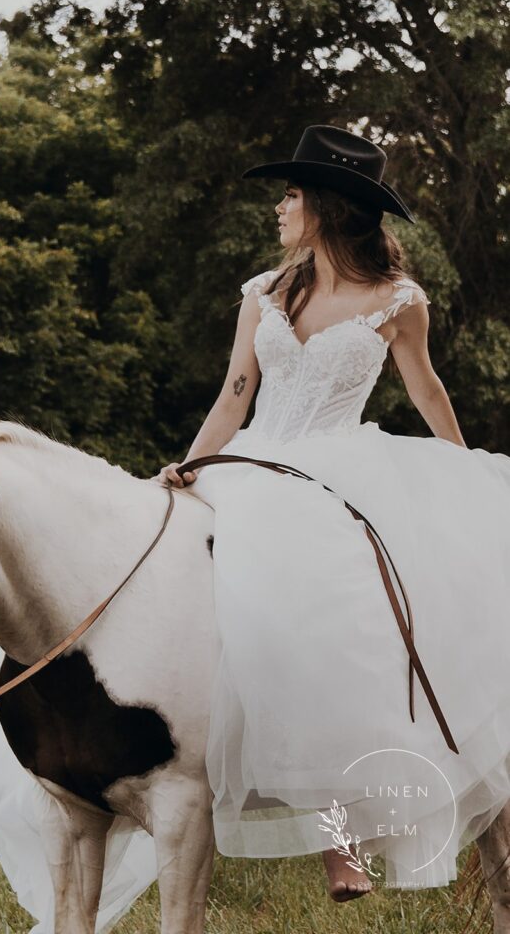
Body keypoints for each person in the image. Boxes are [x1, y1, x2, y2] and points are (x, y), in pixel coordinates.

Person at [155, 124, 510, 899]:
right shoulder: (264, 293)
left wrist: (462, 469)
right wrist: (192, 463)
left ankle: (341, 839)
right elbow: (235, 398)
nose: (279, 208)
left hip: (339, 470)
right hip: (255, 462)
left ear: (324, 205)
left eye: (290, 195)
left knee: (335, 620)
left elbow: (425, 390)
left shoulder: (397, 301)